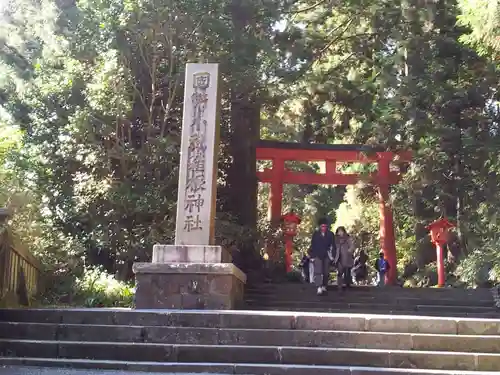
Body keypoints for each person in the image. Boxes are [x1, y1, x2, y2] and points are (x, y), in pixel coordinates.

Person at [309, 218, 336, 295]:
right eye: (322, 226)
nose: (323, 228)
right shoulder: (316, 234)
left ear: (327, 226)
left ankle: (324, 285)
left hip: (327, 255)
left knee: (326, 272)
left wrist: (333, 256)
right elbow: (313, 245)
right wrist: (312, 256)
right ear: (320, 226)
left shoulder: (330, 234)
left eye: (325, 226)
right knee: (318, 271)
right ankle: (319, 287)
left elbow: (333, 246)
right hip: (317, 255)